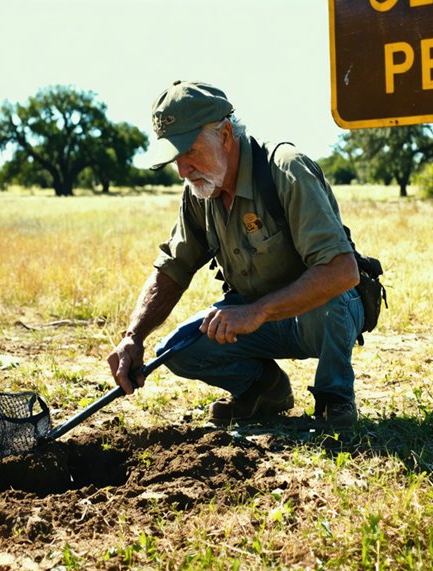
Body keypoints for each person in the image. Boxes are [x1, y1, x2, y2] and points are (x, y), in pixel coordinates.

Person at [107, 80, 364, 426]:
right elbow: (172, 269)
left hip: (321, 316)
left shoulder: (286, 169)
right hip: (257, 319)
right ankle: (263, 389)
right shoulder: (198, 193)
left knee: (334, 300)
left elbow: (342, 271)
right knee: (176, 349)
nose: (183, 170)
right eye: (175, 158)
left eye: (190, 152)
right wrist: (132, 337)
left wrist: (258, 311)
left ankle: (336, 399)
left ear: (225, 135)